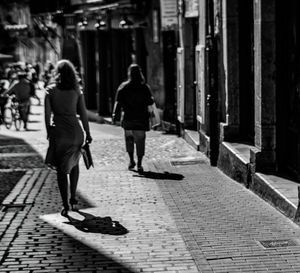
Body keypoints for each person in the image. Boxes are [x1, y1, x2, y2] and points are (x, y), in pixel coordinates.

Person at [44, 59, 92, 217]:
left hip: (60, 133)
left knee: (60, 170)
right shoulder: (77, 90)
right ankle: (73, 197)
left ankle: (65, 204)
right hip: (76, 132)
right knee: (74, 164)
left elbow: (47, 116)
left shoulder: (50, 91)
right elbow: (83, 114)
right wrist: (88, 132)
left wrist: (49, 131)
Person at [112, 64, 154, 173]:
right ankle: (139, 163)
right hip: (141, 118)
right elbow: (150, 102)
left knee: (129, 140)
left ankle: (131, 161)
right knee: (140, 141)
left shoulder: (123, 87)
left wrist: (114, 116)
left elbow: (118, 102)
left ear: (129, 73)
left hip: (128, 118)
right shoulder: (144, 87)